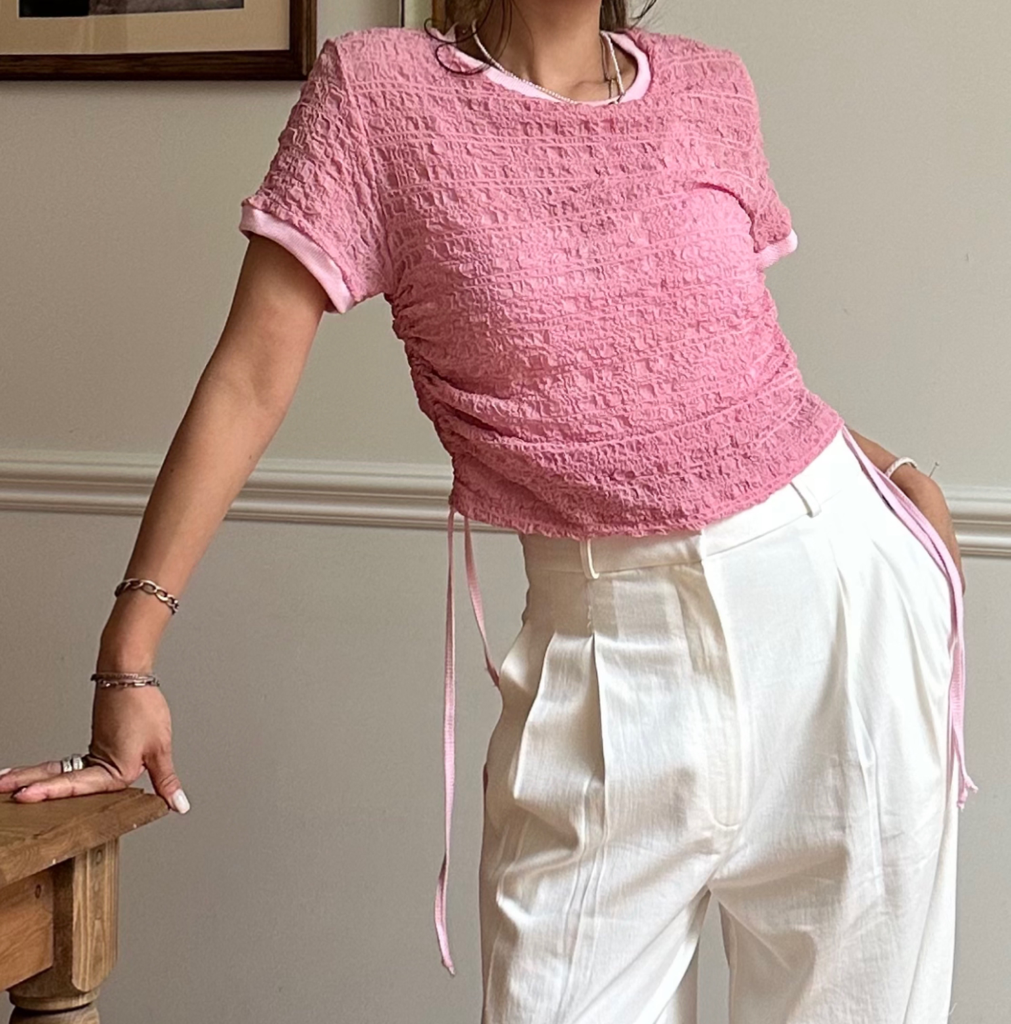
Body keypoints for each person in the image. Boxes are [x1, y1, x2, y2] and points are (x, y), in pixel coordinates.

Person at [0, 1, 977, 1019]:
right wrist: (128, 658)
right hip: (604, 649)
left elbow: (718, 369)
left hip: (840, 620)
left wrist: (892, 475)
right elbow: (249, 380)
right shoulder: (378, 96)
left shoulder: (708, 87)